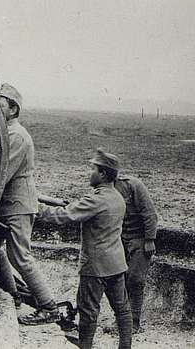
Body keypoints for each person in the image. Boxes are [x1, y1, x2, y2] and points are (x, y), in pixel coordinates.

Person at [0, 83, 59, 325]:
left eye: (2, 103)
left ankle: (49, 308)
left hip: (18, 204)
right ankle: (13, 297)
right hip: (4, 204)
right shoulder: (8, 133)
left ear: (14, 109)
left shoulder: (17, 136)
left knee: (21, 257)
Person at [37, 149, 133, 349]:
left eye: (93, 169)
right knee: (122, 310)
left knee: (88, 312)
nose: (90, 173)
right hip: (116, 263)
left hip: (95, 266)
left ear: (103, 174)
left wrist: (35, 209)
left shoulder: (96, 200)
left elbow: (64, 216)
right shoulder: (117, 198)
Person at [114, 175, 158, 333]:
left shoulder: (133, 186)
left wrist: (150, 239)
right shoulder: (104, 188)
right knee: (121, 280)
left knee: (136, 280)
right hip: (120, 238)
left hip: (140, 238)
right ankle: (121, 322)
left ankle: (134, 323)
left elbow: (149, 213)